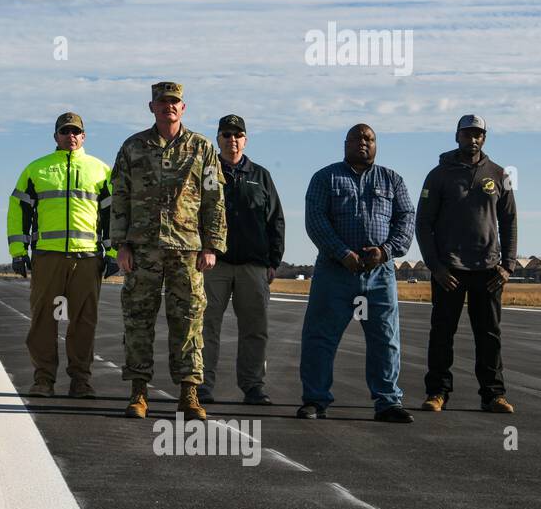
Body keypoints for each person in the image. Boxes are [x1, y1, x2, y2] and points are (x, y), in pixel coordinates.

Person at [111, 82, 226, 420]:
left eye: (174, 102)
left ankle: (189, 395)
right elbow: (119, 196)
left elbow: (214, 200)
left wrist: (211, 246)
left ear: (183, 107)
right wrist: (121, 244)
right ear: (152, 107)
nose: (168, 107)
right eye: (162, 102)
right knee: (138, 320)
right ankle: (138, 393)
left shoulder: (201, 148)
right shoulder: (133, 147)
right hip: (143, 249)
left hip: (187, 250)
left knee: (189, 322)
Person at [299, 124, 415, 423]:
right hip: (334, 271)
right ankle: (315, 400)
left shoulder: (392, 180)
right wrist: (342, 253)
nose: (363, 143)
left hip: (380, 274)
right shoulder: (326, 178)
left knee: (385, 339)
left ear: (375, 144)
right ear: (345, 143)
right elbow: (316, 220)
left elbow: (406, 219)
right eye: (357, 138)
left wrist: (386, 251)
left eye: (370, 138)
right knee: (320, 337)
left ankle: (388, 402)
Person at [6, 112, 116, 398]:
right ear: (55, 136)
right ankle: (43, 379)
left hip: (88, 259)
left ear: (84, 136)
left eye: (76, 132)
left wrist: (113, 251)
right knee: (44, 320)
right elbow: (18, 211)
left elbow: (113, 214)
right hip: (48, 258)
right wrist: (18, 252)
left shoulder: (101, 171)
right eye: (65, 132)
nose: (71, 136)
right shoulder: (37, 170)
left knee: (83, 322)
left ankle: (81, 380)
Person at [416, 115, 517, 414]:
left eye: (478, 134)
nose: (473, 139)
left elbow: (510, 221)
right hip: (449, 270)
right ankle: (437, 392)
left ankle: (493, 395)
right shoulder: (438, 175)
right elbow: (423, 223)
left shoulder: (499, 174)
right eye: (467, 134)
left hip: (488, 270)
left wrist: (507, 265)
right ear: (456, 136)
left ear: (484, 138)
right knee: (442, 332)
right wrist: (435, 266)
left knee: (489, 335)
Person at [200, 114, 284, 405]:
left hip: (253, 265)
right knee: (206, 327)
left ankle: (253, 386)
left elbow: (275, 220)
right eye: (226, 135)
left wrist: (273, 260)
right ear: (218, 139)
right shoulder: (207, 173)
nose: (231, 140)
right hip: (214, 265)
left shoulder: (260, 176)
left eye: (237, 135)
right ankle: (201, 385)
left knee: (254, 329)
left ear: (245, 140)